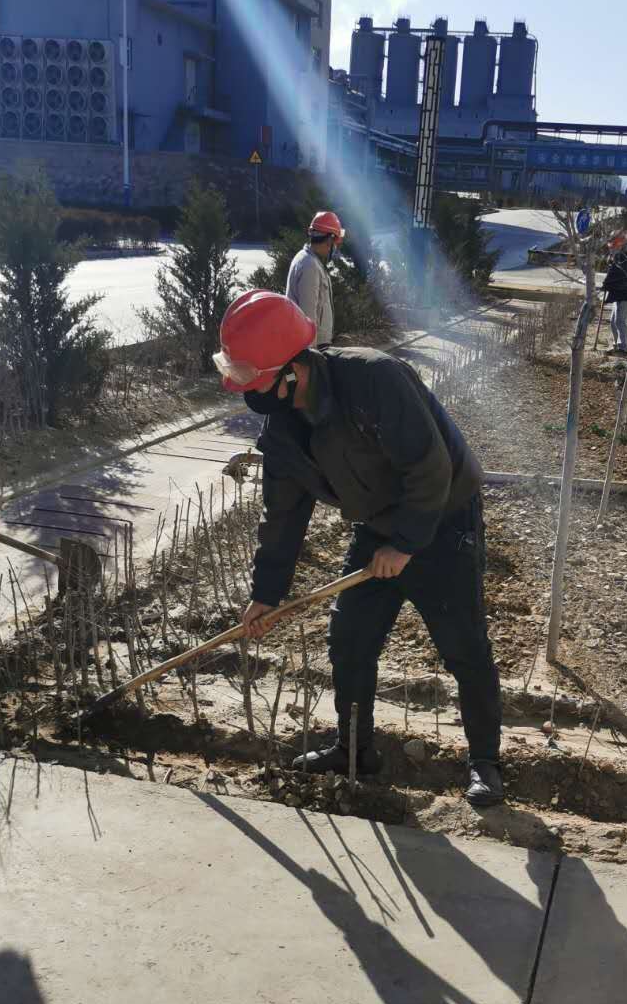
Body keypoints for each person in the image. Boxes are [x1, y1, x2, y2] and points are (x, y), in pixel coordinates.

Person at [214, 290, 504, 808]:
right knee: (350, 639)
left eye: (253, 380)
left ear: (291, 372)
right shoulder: (282, 431)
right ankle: (354, 749)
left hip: (441, 517)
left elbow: (431, 467)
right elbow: (282, 516)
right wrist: (266, 594)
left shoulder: (375, 379)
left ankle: (485, 762)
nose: (248, 393)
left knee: (464, 646)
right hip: (378, 523)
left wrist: (405, 544)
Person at [286, 209, 344, 345]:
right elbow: (308, 315)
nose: (334, 248)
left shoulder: (308, 259)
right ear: (329, 240)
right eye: (334, 242)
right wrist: (311, 354)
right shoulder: (310, 266)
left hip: (316, 343)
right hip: (313, 346)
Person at [602, 234, 627, 357]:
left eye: (612, 247)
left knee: (620, 320)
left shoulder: (624, 258)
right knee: (614, 321)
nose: (610, 249)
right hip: (620, 293)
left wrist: (607, 284)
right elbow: (613, 272)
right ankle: (617, 346)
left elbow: (619, 275)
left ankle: (623, 348)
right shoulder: (617, 257)